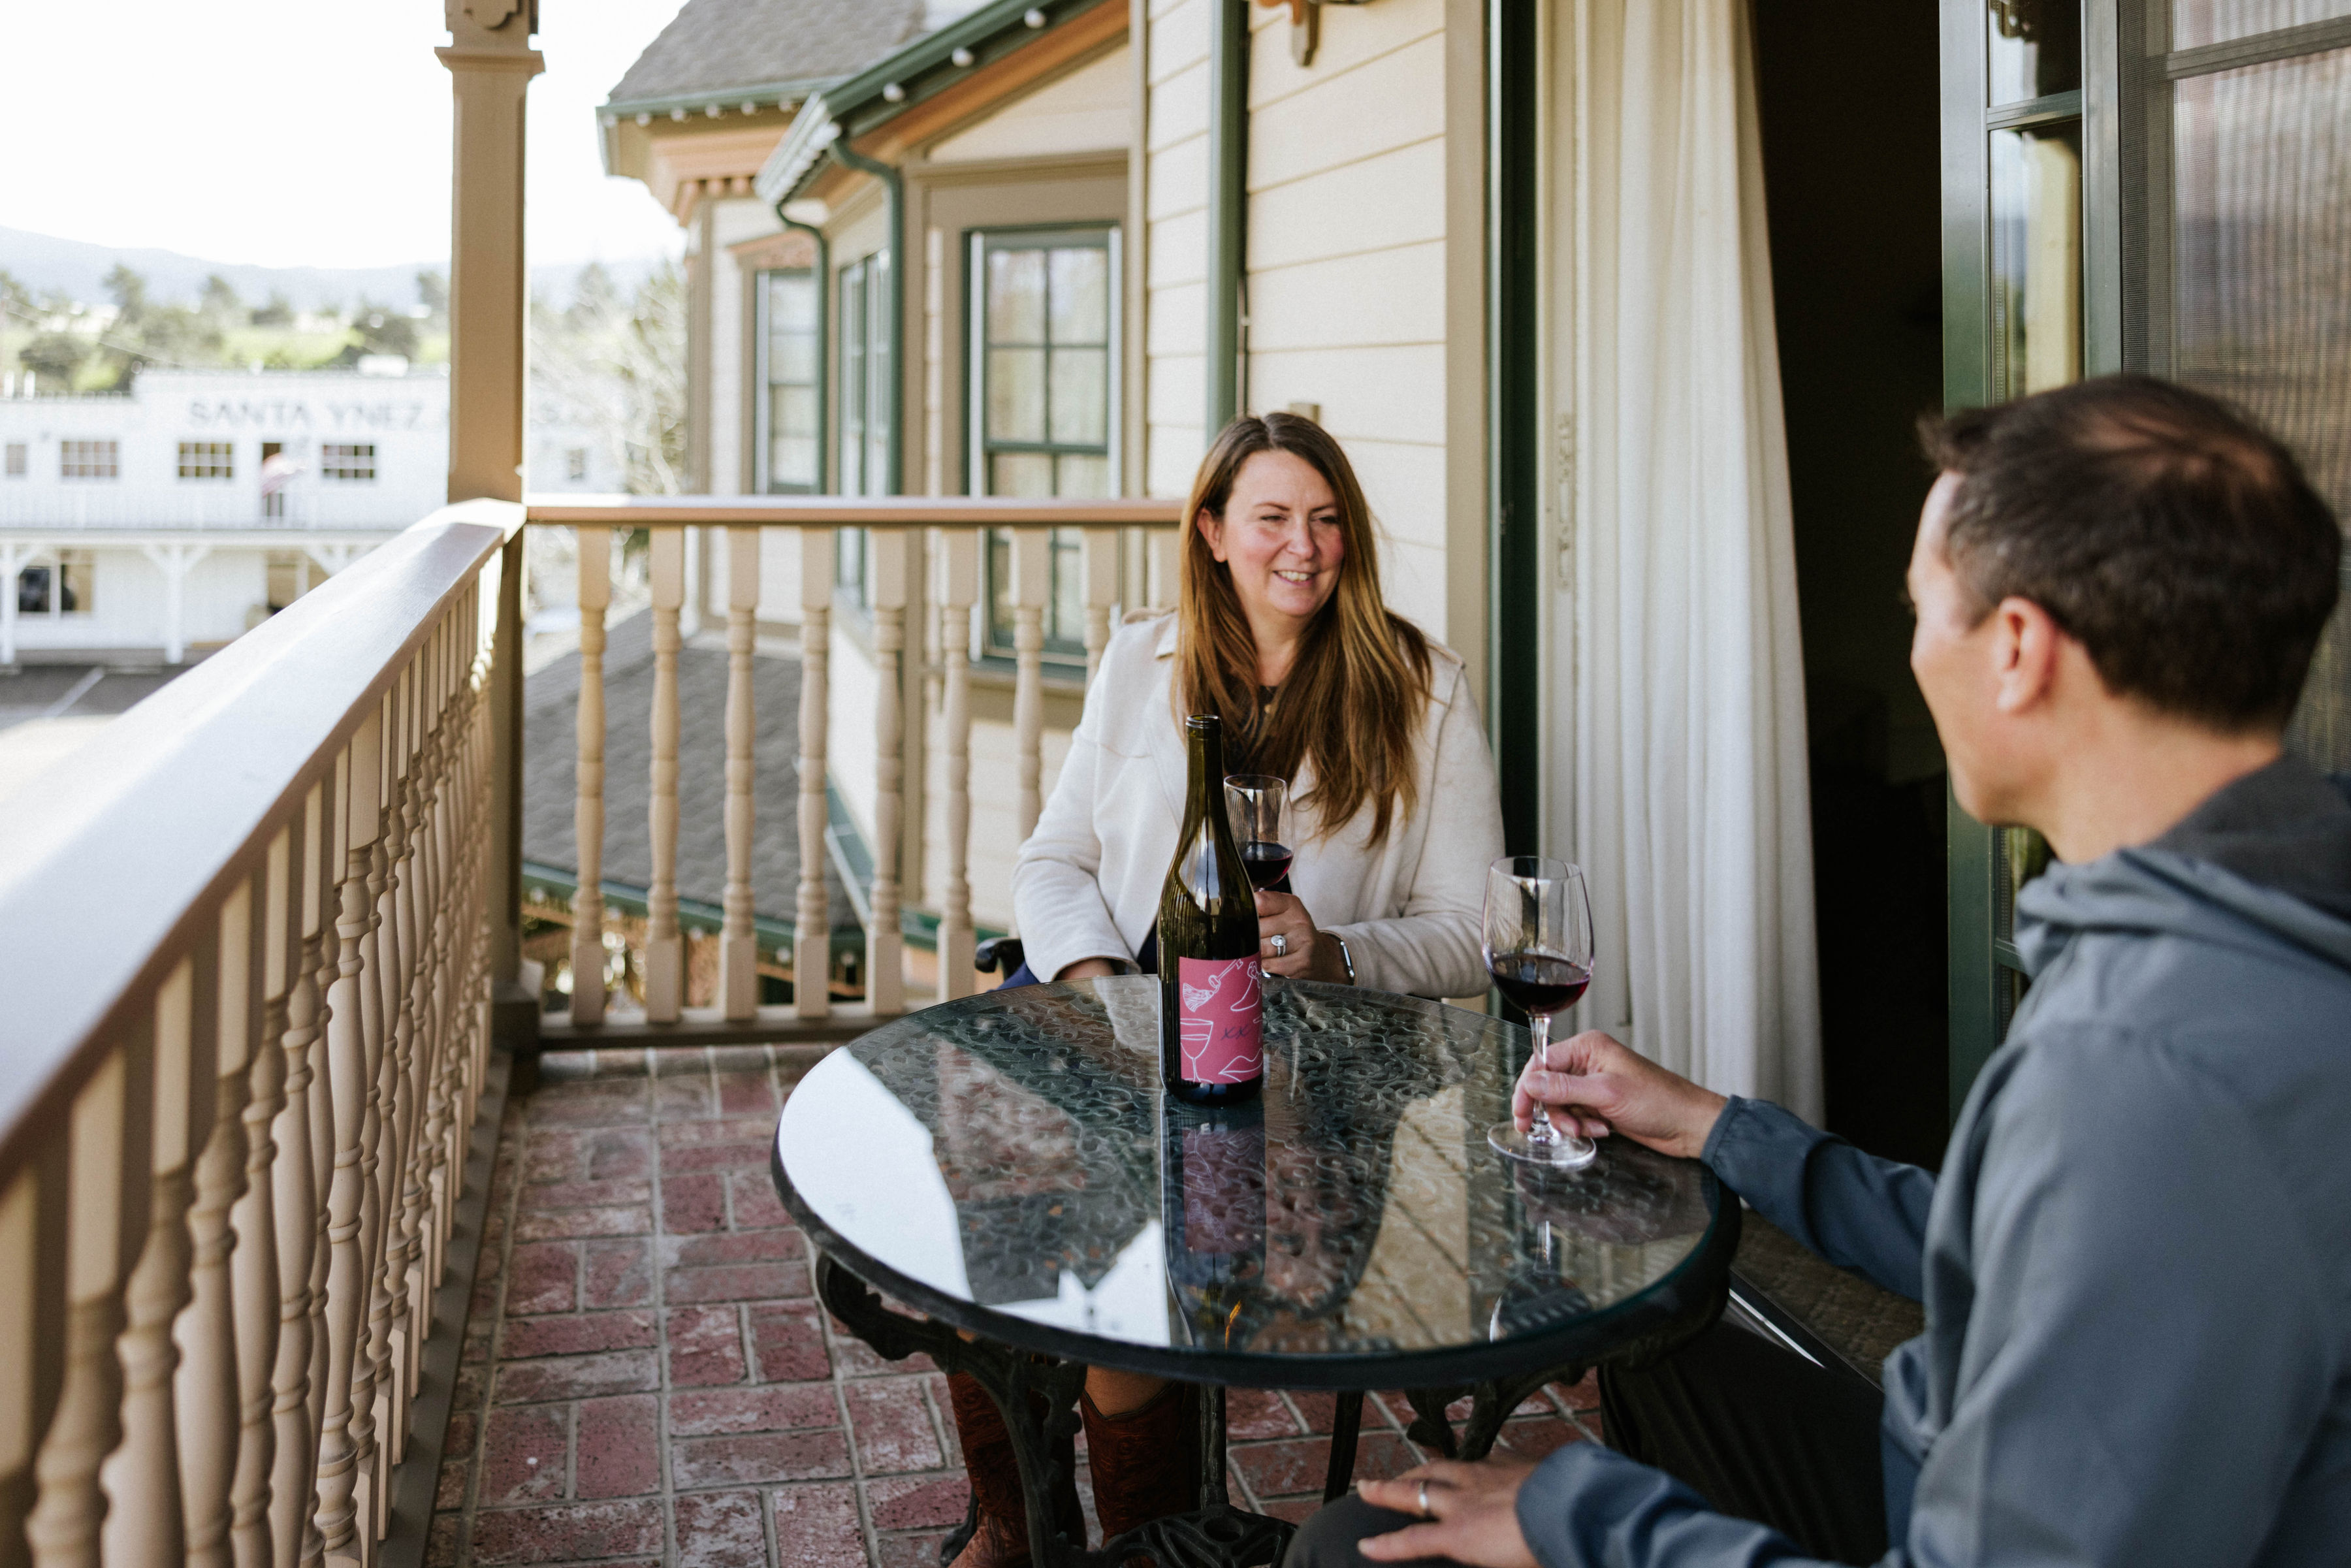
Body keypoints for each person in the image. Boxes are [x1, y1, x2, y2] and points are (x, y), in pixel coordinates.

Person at [1284, 374, 2351, 1567]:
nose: (1911, 651)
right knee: (1662, 1337)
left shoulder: (2150, 1067)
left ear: (2015, 651)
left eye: (1923, 607)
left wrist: (1580, 1521)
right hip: (1948, 1462)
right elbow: (2012, 1243)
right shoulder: (2251, 913)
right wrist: (1718, 1126)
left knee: (1349, 1549)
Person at [945, 411, 1505, 1567]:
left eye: (1327, 520)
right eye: (1272, 519)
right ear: (1211, 533)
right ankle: (1012, 1526)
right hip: (1122, 1038)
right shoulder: (1138, 661)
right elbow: (1053, 863)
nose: (1304, 547)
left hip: (1306, 1087)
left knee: (1141, 1300)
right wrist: (1108, 991)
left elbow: (1476, 934)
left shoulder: (1424, 691)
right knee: (983, 1237)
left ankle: (1152, 1550)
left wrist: (1340, 950)